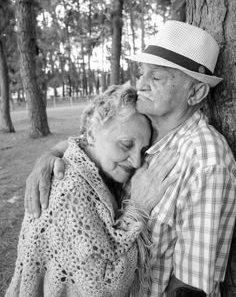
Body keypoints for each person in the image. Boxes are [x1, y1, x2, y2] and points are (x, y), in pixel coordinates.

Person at [24, 21, 236, 297]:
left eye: (156, 77)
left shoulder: (206, 160)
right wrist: (51, 154)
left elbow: (189, 289)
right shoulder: (145, 123)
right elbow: (95, 139)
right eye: (141, 73)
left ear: (195, 92)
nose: (141, 84)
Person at [6, 85, 178, 297]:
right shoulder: (70, 190)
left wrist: (54, 150)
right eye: (126, 145)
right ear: (91, 133)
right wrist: (137, 208)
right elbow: (103, 288)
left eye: (142, 150)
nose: (136, 161)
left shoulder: (90, 167)